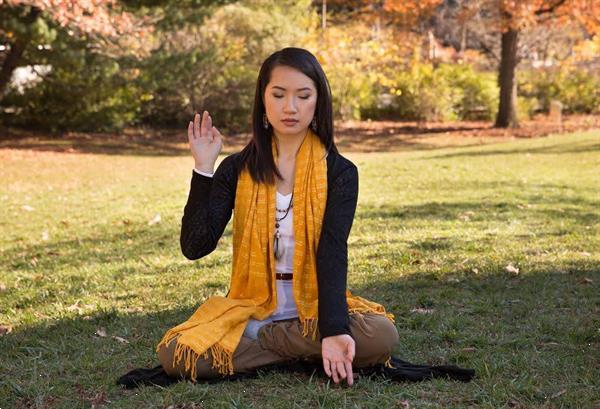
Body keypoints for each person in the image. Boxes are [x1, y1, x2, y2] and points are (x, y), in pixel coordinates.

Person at [156, 47, 399, 387]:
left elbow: (332, 252)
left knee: (381, 335)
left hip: (312, 310)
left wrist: (332, 330)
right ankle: (300, 349)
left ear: (318, 102)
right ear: (263, 99)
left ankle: (274, 344)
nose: (290, 107)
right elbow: (195, 246)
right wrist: (203, 168)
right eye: (279, 94)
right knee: (175, 352)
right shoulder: (237, 168)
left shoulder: (339, 172)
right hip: (253, 310)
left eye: (303, 95)